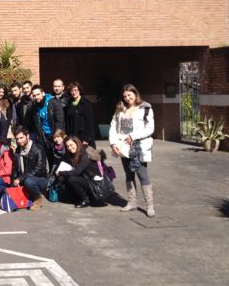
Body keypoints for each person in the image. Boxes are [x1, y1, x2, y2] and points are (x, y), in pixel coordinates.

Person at [109, 84, 156, 217]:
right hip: (123, 146)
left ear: (135, 94)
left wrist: (133, 136)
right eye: (125, 96)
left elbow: (150, 128)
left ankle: (149, 206)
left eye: (129, 95)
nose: (127, 98)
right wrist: (113, 143)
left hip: (138, 146)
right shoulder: (120, 108)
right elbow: (113, 126)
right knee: (129, 174)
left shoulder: (145, 108)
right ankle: (132, 202)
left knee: (142, 174)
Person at [55, 136, 102, 208]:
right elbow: (64, 161)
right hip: (85, 178)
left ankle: (86, 199)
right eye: (67, 146)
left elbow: (77, 172)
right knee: (67, 178)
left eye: (71, 145)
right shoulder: (73, 154)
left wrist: (61, 172)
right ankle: (78, 196)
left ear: (77, 143)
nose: (70, 148)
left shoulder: (85, 154)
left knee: (71, 179)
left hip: (94, 182)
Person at [12, 126, 48, 211]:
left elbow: (39, 169)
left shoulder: (38, 149)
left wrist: (20, 178)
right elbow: (15, 169)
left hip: (40, 179)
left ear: (27, 136)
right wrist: (13, 181)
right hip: (24, 178)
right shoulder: (18, 150)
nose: (19, 141)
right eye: (17, 139)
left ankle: (38, 199)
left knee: (28, 182)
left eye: (21, 138)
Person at [31, 85, 64, 165]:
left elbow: (59, 121)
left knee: (58, 158)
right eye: (34, 95)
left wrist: (57, 136)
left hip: (55, 135)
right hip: (44, 136)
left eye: (38, 94)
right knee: (49, 158)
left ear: (43, 93)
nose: (36, 97)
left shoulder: (54, 103)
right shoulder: (35, 106)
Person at [65, 81, 96, 149]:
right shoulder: (68, 104)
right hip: (72, 137)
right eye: (72, 90)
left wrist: (87, 138)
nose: (74, 92)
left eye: (76, 90)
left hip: (83, 137)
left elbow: (89, 123)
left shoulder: (86, 104)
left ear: (79, 91)